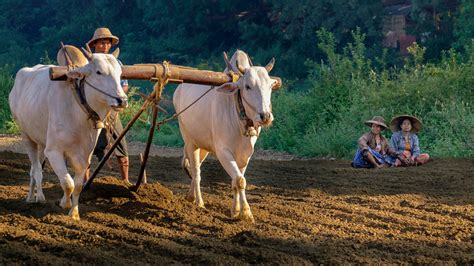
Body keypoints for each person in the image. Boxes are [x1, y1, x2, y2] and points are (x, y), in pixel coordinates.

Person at [86, 27, 131, 185]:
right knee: (87, 146)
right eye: (102, 43)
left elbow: (123, 85)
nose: (105, 46)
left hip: (111, 109)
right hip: (90, 110)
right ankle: (86, 181)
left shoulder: (116, 62)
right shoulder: (89, 62)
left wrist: (118, 93)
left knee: (120, 141)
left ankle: (125, 180)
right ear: (95, 45)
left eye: (107, 43)